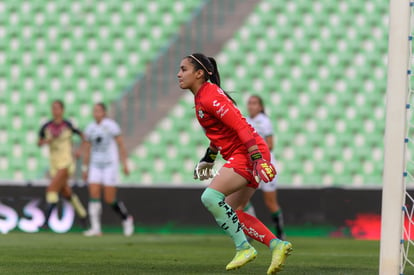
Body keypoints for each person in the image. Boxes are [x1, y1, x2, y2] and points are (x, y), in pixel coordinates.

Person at [177, 53, 292, 274]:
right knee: (233, 211)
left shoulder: (209, 95)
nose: (179, 74)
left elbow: (241, 126)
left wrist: (256, 158)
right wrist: (208, 158)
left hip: (247, 153)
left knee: (210, 197)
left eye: (184, 69)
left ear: (199, 73)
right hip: (247, 153)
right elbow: (219, 133)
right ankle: (277, 245)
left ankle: (243, 248)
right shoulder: (202, 96)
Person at [82, 103, 134, 237]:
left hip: (110, 165)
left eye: (99, 111)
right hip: (95, 165)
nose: (96, 113)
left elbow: (121, 145)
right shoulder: (90, 128)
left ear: (104, 113)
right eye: (95, 111)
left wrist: (125, 164)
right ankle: (95, 228)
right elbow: (87, 149)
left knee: (109, 198)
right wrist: (85, 167)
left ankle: (126, 219)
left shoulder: (111, 126)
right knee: (93, 194)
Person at [38, 100, 88, 229]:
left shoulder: (68, 125)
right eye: (53, 108)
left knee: (51, 189)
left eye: (57, 108)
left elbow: (84, 137)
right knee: (66, 193)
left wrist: (79, 151)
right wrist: (45, 141)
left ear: (62, 110)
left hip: (66, 163)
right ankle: (83, 215)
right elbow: (39, 142)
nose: (55, 111)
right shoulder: (46, 126)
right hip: (54, 164)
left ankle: (46, 221)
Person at [245, 95, 285, 240]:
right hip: (251, 166)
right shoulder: (246, 121)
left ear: (261, 107)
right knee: (242, 199)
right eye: (249, 103)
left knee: (270, 202)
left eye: (254, 103)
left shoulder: (264, 122)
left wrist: (255, 149)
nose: (251, 106)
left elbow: (271, 145)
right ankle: (251, 231)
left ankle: (280, 233)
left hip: (266, 165)